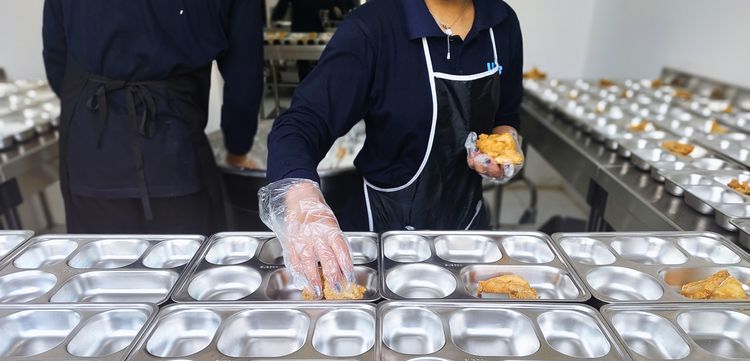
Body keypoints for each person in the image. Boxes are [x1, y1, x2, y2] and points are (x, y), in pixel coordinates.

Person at [260, 0, 523, 298]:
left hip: (467, 231)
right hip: (384, 235)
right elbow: (303, 122)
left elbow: (507, 115)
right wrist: (299, 195)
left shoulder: (502, 22)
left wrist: (506, 148)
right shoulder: (374, 26)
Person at [42, 0, 264, 234]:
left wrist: (92, 111)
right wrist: (237, 149)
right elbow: (244, 77)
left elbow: (57, 61)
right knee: (190, 265)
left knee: (100, 265)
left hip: (92, 147)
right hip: (176, 150)